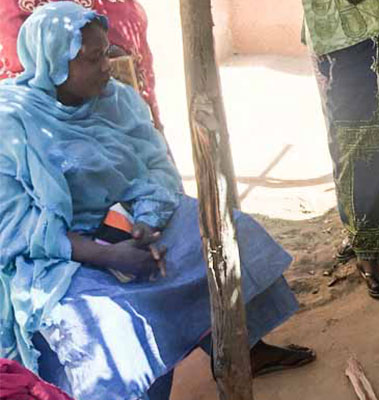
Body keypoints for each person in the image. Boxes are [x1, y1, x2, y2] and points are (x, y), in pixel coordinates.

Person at [0, 4, 314, 399]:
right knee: (111, 322)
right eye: (93, 59)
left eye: (106, 53)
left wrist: (145, 223)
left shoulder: (117, 101)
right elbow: (15, 229)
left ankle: (243, 348)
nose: (106, 68)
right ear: (54, 64)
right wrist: (109, 256)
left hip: (133, 217)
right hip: (62, 254)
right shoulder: (12, 123)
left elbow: (155, 168)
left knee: (230, 238)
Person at [302, 0, 379, 299]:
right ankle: (358, 232)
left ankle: (370, 248)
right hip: (324, 34)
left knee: (370, 142)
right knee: (342, 140)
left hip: (367, 34)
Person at [0, 0, 164, 131]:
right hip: (49, 117)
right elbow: (27, 68)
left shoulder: (117, 8)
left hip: (113, 112)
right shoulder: (19, 126)